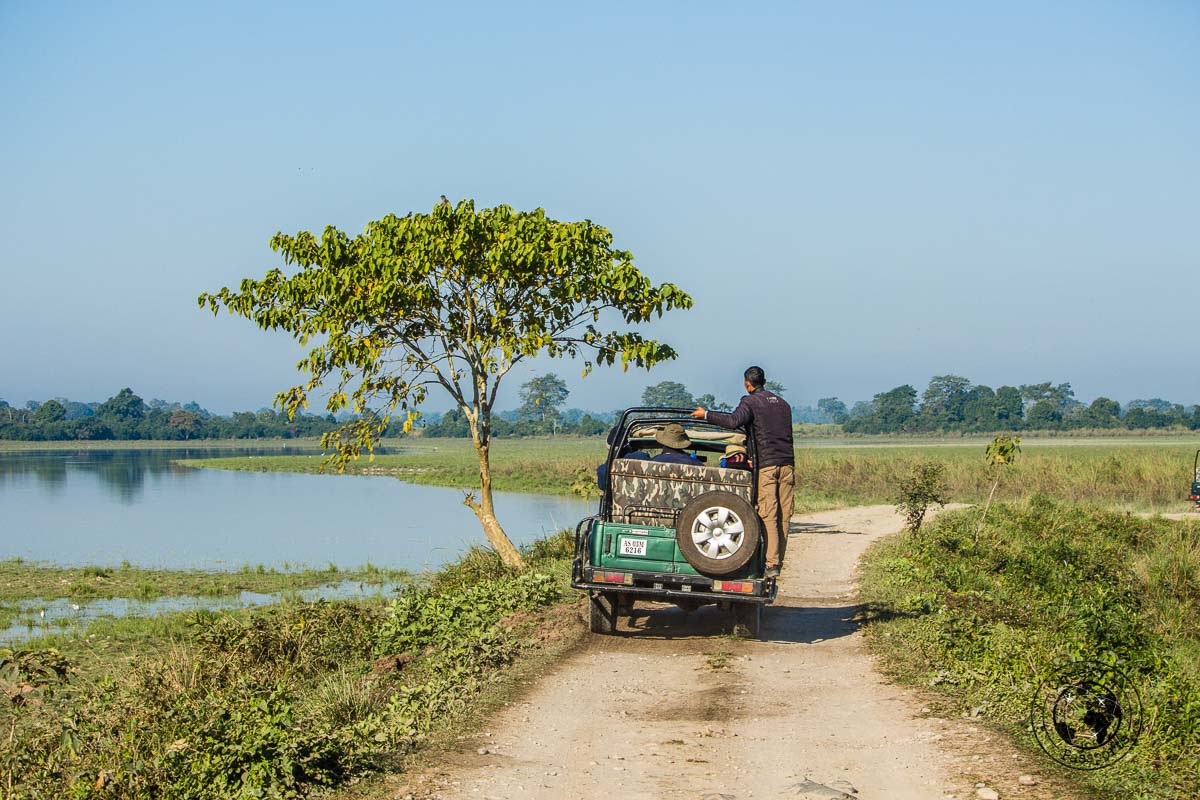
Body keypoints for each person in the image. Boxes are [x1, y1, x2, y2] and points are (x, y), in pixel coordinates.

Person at [692, 366, 794, 578]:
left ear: (748, 384)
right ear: (763, 381)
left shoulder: (750, 402)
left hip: (767, 465)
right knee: (784, 515)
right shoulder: (783, 405)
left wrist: (706, 415)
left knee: (768, 514)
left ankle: (772, 563)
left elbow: (733, 421)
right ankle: (777, 562)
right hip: (787, 464)